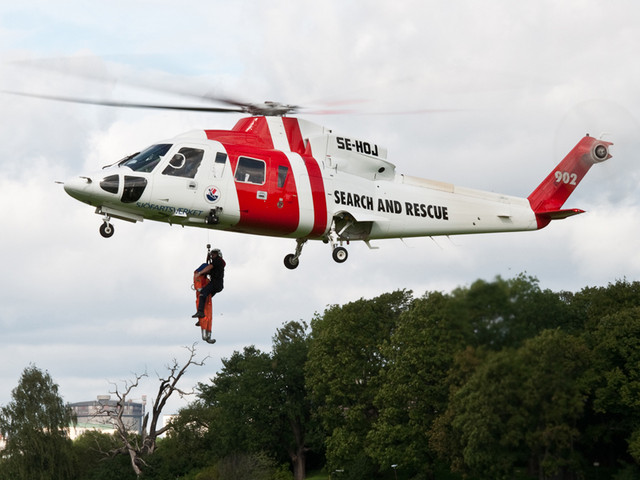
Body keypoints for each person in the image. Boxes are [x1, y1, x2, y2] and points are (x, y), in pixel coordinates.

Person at [192, 248, 225, 320]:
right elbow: (211, 270)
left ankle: (200, 312)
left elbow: (209, 267)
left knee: (203, 293)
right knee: (206, 299)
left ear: (217, 254)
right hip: (219, 285)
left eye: (213, 254)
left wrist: (200, 273)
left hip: (215, 283)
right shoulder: (219, 264)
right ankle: (203, 318)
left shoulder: (217, 261)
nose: (212, 256)